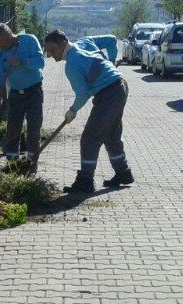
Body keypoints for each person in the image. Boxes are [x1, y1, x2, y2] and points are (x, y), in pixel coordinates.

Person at [43, 29, 134, 194]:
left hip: (109, 94)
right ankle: (123, 173)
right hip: (120, 86)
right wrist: (112, 61)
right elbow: (111, 39)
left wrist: (72, 110)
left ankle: (85, 181)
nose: (51, 55)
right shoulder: (84, 42)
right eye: (48, 52)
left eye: (53, 50)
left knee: (89, 139)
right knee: (111, 135)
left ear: (63, 43)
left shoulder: (72, 65)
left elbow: (83, 93)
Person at [0, 23, 45, 164]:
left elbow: (40, 62)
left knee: (34, 128)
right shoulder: (0, 55)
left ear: (9, 35)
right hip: (14, 94)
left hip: (34, 91)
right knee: (13, 129)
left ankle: (31, 161)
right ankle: (12, 163)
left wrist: (22, 61)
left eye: (0, 41)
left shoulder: (29, 40)